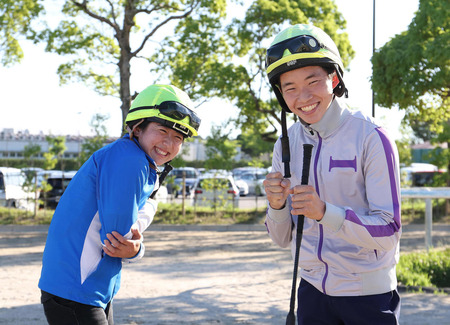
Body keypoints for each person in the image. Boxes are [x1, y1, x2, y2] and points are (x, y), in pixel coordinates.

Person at [263, 24, 402, 324]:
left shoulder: (372, 137)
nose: (303, 96)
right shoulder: (285, 145)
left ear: (334, 79)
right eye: (290, 88)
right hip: (311, 293)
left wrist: (325, 212)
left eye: (313, 81)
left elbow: (389, 232)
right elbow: (280, 238)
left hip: (368, 297)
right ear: (281, 95)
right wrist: (276, 207)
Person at [38, 84, 201, 324]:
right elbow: (117, 242)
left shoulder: (134, 159)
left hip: (87, 286)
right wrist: (137, 249)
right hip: (76, 288)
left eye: (178, 137)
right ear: (137, 128)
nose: (169, 143)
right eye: (163, 130)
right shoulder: (129, 160)